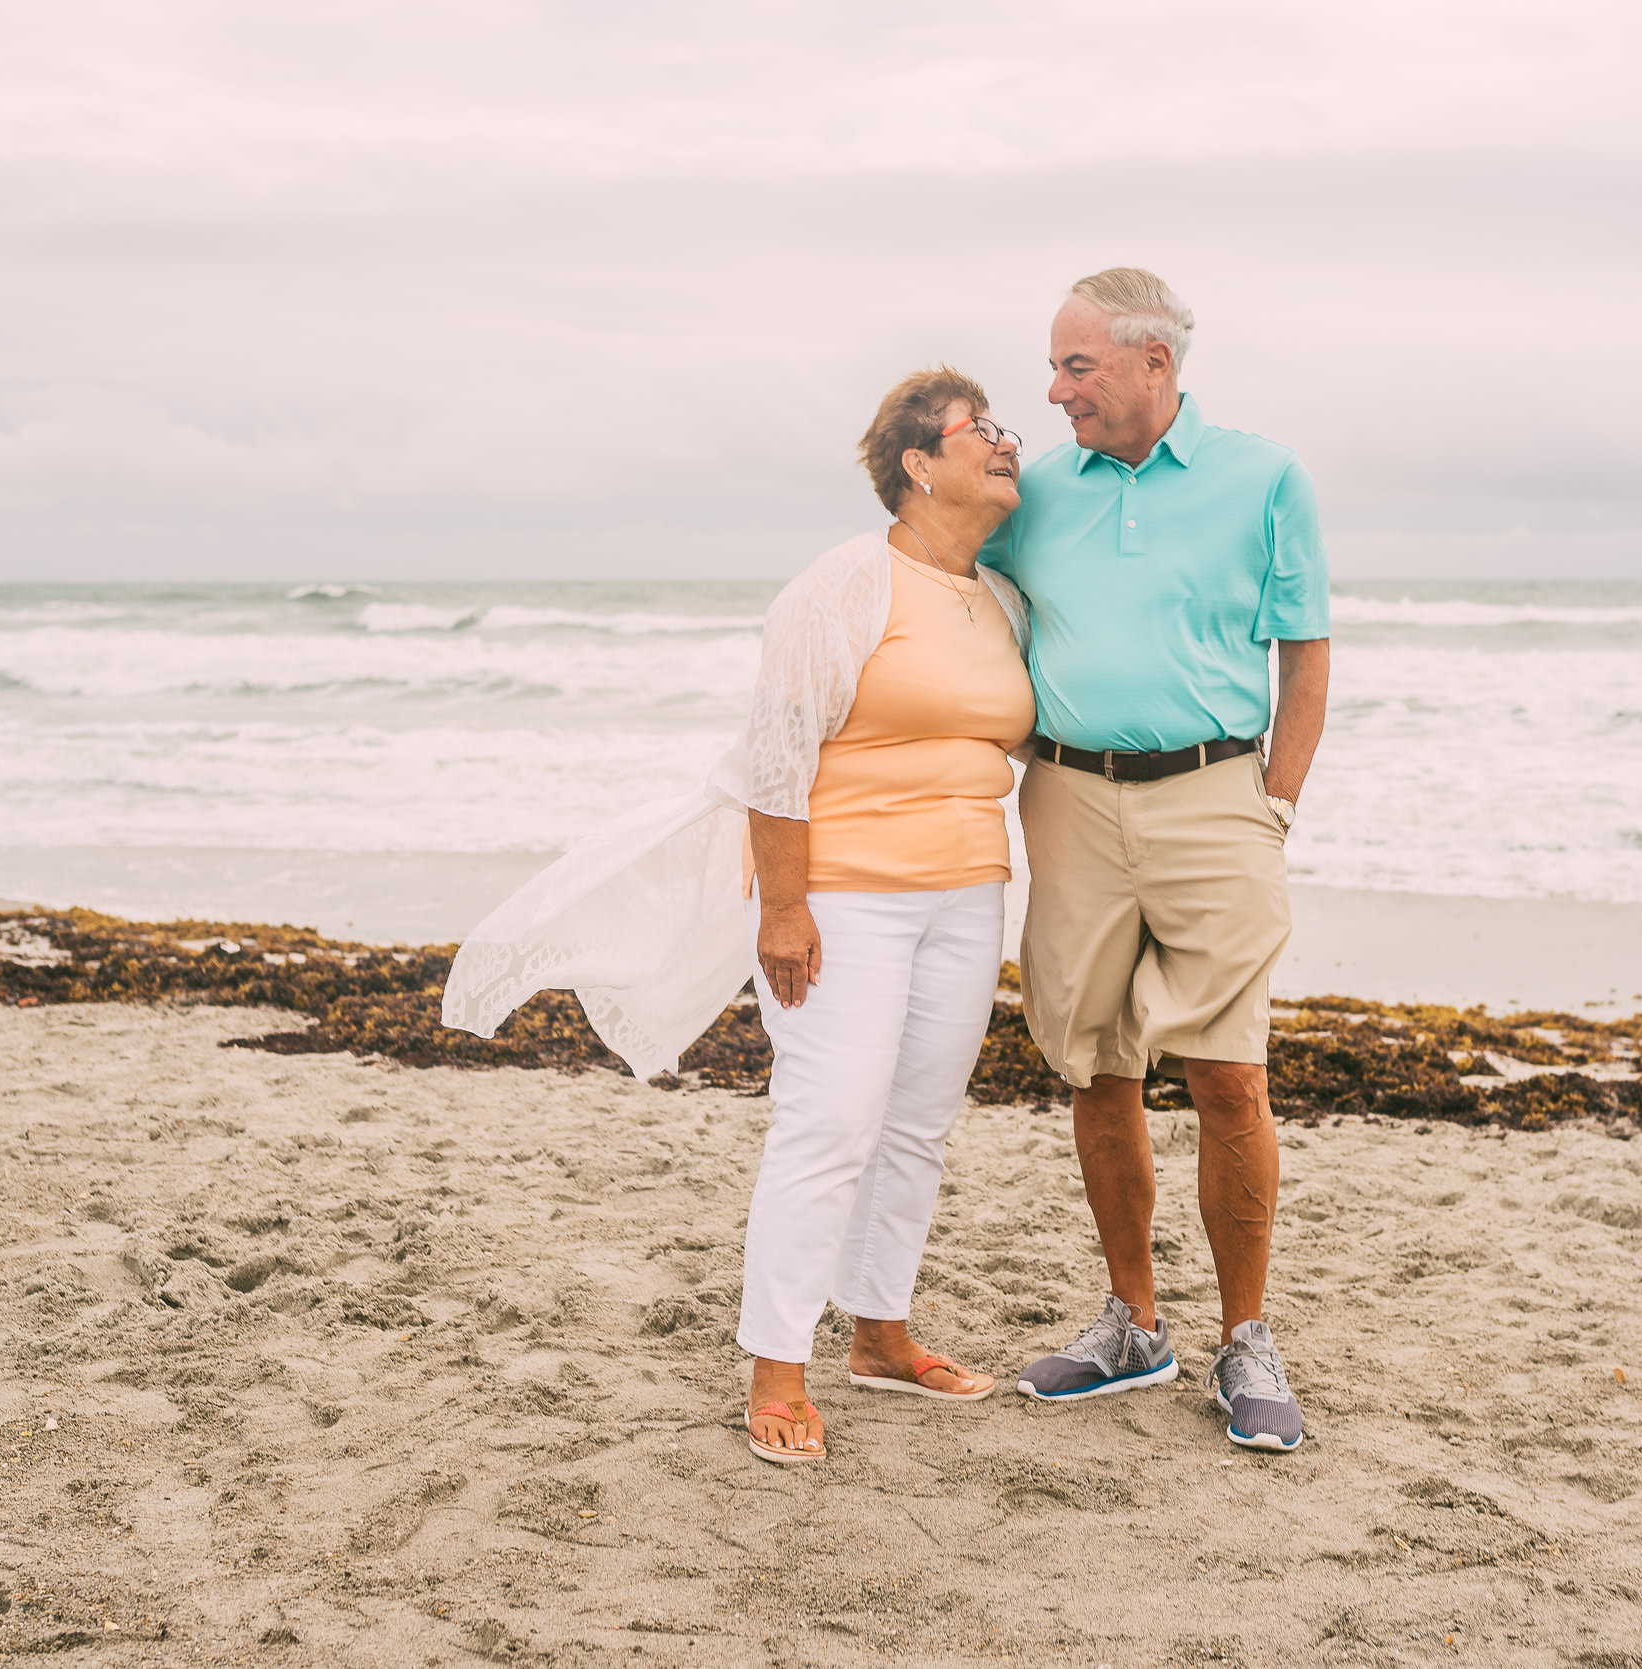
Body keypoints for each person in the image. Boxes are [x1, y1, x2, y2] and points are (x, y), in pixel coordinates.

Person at [442, 367, 1035, 1466]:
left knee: (915, 1121)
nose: (1006, 443)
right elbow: (778, 753)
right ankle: (776, 1363)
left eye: (1004, 428)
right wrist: (787, 906)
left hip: (968, 892)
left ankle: (881, 1332)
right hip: (846, 895)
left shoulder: (995, 595)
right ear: (918, 463)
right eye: (980, 430)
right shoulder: (842, 585)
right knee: (828, 1121)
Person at [977, 269, 1330, 1453]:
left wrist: (1272, 801)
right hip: (1069, 799)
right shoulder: (1030, 494)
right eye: (1057, 365)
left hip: (1216, 796)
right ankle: (1134, 1320)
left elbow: (1305, 652)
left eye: (1077, 366)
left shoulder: (1264, 477)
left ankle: (1245, 1336)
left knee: (1229, 1072)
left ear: (1152, 365)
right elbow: (948, 582)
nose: (1056, 389)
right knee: (1096, 1067)